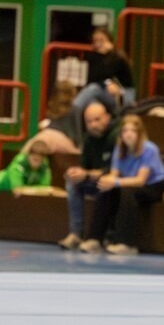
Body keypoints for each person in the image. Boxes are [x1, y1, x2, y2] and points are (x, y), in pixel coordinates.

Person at [80, 115, 164, 256]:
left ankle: (126, 243)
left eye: (132, 131)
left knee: (127, 193)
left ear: (139, 133)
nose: (128, 134)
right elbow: (114, 174)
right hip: (127, 183)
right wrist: (107, 181)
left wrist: (115, 182)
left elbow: (140, 180)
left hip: (153, 186)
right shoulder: (119, 148)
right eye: (125, 131)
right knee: (105, 190)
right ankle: (94, 239)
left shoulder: (149, 149)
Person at [58, 102, 118, 250]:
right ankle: (76, 233)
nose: (93, 125)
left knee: (106, 184)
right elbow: (84, 167)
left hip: (116, 182)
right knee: (73, 185)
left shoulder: (116, 136)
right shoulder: (88, 138)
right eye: (89, 121)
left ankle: (106, 235)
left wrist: (88, 174)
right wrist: (76, 174)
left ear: (107, 117)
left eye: (97, 120)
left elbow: (116, 170)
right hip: (95, 180)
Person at [71, 27, 135, 115]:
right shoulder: (93, 57)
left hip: (122, 95)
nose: (98, 44)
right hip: (102, 92)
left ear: (110, 41)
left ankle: (71, 113)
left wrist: (109, 52)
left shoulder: (118, 58)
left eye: (101, 40)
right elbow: (93, 78)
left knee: (93, 88)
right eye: (95, 41)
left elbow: (107, 74)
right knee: (92, 102)